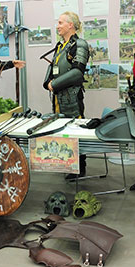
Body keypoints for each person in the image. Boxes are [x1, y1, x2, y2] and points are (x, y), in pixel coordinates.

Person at [43, 11, 90, 180]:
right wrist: (47, 81)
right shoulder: (61, 46)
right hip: (58, 98)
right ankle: (69, 164)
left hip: (72, 97)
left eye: (61, 22)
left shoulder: (80, 45)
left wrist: (54, 84)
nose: (58, 26)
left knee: (75, 131)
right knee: (64, 132)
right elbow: (55, 67)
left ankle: (79, 167)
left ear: (71, 25)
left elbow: (78, 73)